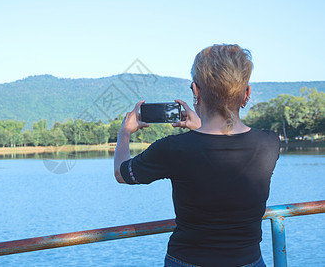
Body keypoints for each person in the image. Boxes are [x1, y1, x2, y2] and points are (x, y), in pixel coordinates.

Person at [114, 44, 280, 267]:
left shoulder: (173, 148)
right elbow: (220, 144)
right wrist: (200, 126)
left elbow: (122, 173)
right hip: (249, 261)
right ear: (246, 93)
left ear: (195, 91)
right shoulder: (269, 143)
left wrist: (125, 132)